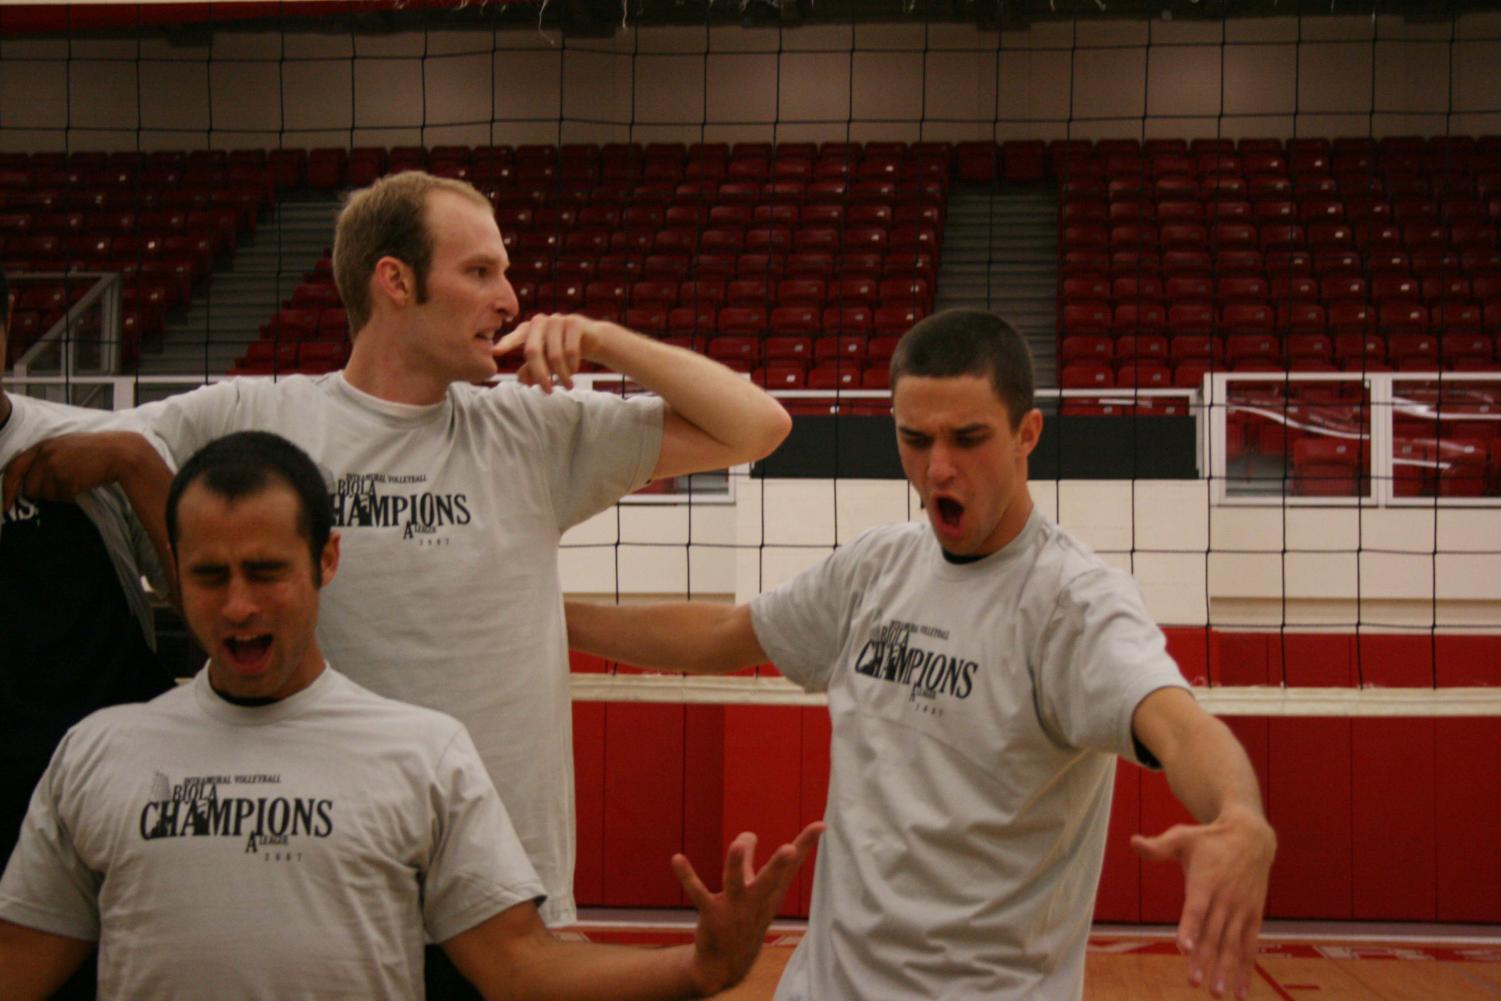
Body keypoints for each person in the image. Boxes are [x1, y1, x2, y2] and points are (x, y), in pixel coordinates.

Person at [1, 171, 793, 942]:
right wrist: (129, 464)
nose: (509, 299)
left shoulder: (530, 429)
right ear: (395, 281)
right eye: (480, 270)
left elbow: (756, 426)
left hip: (509, 895)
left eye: (506, 273)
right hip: (327, 889)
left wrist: (604, 338)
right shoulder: (255, 413)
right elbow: (75, 445)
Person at [566, 309, 1277, 1001]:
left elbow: (1179, 725)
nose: (938, 468)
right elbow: (725, 634)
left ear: (1028, 433)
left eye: (968, 438)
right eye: (915, 438)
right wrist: (552, 617)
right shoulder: (875, 566)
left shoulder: (1072, 602)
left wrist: (1239, 815)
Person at [0, 431, 820, 1001]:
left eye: (266, 570)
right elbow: (21, 967)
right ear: (173, 569)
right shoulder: (100, 751)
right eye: (210, 574)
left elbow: (520, 970)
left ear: (326, 559)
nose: (239, 604)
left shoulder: (421, 752)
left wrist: (700, 969)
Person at [0, 273, 178, 1000]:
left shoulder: (78, 448)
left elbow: (207, 602)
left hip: (107, 825)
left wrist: (136, 464)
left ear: (8, 318)